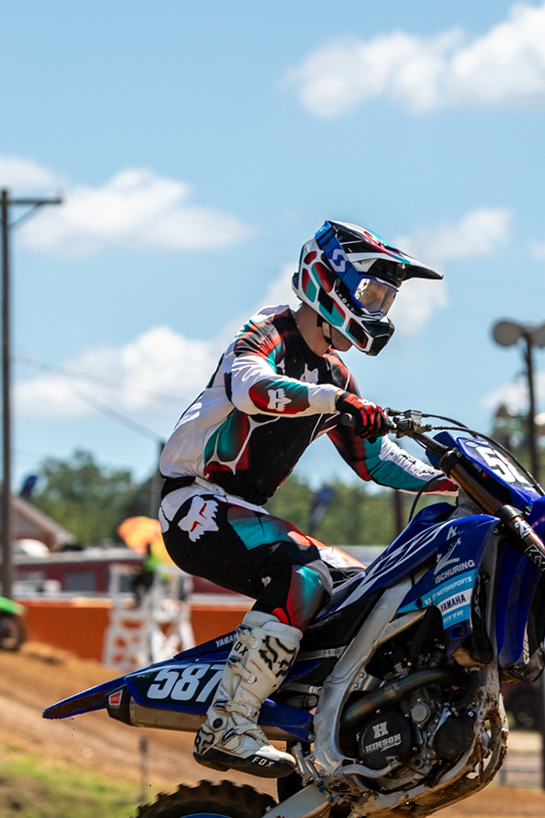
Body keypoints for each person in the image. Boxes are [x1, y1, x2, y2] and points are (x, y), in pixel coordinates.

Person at [158, 219, 453, 776]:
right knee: (304, 574)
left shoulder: (336, 376)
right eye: (373, 293)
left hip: (243, 511)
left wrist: (450, 480)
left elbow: (375, 459)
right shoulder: (268, 331)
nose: (379, 309)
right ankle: (229, 720)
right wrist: (332, 400)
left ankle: (318, 725)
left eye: (386, 299)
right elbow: (250, 387)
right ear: (330, 280)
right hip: (192, 502)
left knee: (365, 589)